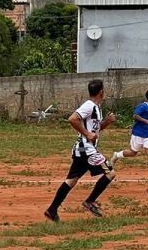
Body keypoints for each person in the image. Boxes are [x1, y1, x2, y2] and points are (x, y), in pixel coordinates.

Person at [44, 79, 117, 221]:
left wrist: (106, 122)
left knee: (71, 181)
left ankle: (52, 210)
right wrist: (87, 134)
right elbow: (72, 119)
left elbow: (94, 129)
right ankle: (89, 201)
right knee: (110, 173)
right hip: (86, 150)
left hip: (82, 150)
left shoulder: (96, 108)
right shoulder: (89, 105)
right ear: (101, 92)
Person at [113, 89, 148, 176]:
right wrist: (146, 121)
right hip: (138, 133)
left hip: (147, 134)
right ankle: (116, 155)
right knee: (133, 152)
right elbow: (135, 116)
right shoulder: (143, 106)